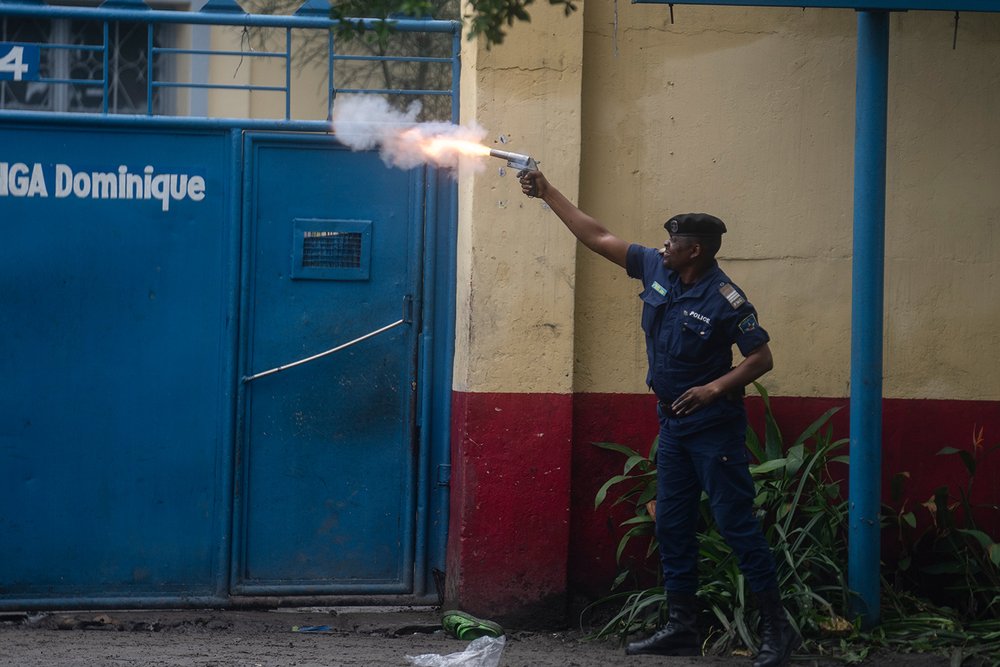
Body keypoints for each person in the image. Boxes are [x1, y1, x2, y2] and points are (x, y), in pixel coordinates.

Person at [518, 169, 800, 667]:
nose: (663, 246)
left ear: (696, 250)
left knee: (737, 525)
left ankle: (778, 629)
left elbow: (761, 359)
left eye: (673, 242)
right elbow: (597, 235)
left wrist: (714, 388)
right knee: (671, 523)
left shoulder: (726, 298)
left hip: (715, 430)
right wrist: (547, 192)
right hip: (672, 425)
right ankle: (681, 629)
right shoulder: (656, 269)